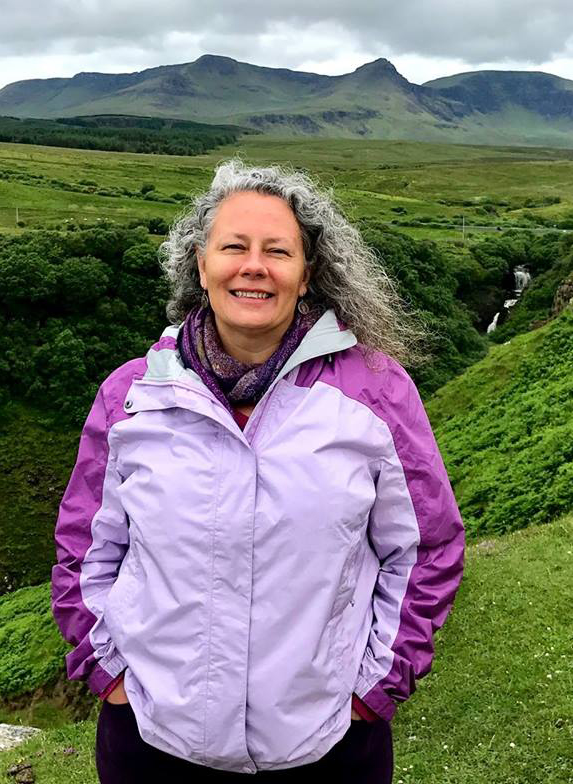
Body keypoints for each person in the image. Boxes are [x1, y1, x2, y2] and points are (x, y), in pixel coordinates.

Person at [51, 158, 466, 782]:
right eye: (233, 246)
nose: (254, 266)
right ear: (201, 264)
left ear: (307, 276)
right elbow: (86, 549)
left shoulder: (377, 393)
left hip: (328, 746)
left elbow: (427, 548)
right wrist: (105, 668)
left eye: (278, 250)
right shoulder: (131, 395)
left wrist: (373, 686)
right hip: (153, 742)